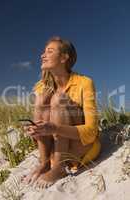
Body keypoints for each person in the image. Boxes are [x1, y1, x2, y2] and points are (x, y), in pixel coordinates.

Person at [22, 36, 101, 189]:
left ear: (64, 57)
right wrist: (34, 130)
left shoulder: (84, 82)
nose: (42, 55)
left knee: (58, 98)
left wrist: (55, 128)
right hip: (54, 150)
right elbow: (41, 136)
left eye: (49, 51)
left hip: (80, 148)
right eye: (44, 52)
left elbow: (91, 132)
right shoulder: (40, 86)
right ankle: (44, 163)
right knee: (42, 98)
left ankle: (58, 169)